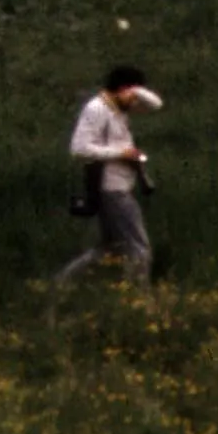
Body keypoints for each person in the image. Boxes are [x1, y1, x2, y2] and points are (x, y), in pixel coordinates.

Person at [58, 66, 163, 285]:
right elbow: (79, 148)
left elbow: (156, 104)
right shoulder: (97, 109)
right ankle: (138, 299)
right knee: (139, 247)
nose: (135, 102)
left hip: (120, 186)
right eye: (132, 95)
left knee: (108, 248)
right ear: (122, 88)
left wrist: (136, 91)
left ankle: (62, 285)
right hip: (111, 188)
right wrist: (121, 153)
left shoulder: (117, 109)